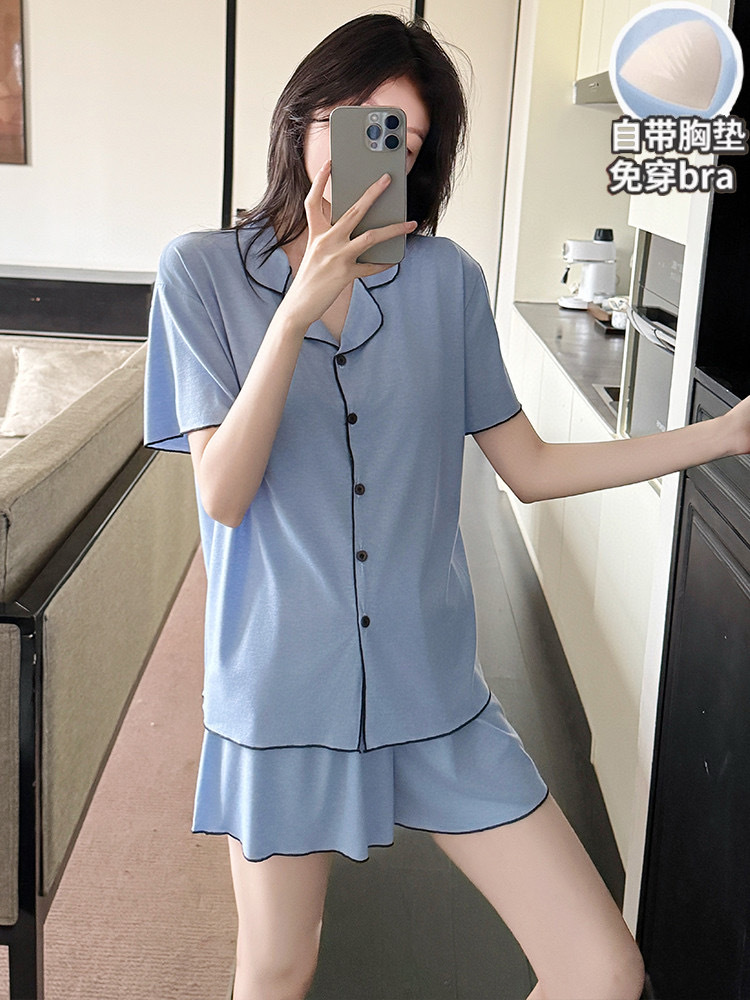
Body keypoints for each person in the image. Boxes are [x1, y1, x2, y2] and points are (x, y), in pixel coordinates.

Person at [142, 13, 750, 1000]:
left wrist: (719, 436)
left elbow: (531, 466)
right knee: (280, 965)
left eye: (406, 141)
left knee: (602, 968)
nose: (376, 153)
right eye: (360, 122)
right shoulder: (201, 273)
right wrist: (294, 316)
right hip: (282, 693)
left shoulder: (447, 283)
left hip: (433, 691)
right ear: (304, 117)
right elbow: (223, 491)